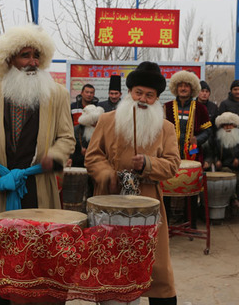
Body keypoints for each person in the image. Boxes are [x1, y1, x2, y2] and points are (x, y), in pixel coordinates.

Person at [85, 61, 180, 305]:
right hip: (109, 199)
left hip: (148, 204)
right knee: (111, 264)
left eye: (149, 95)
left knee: (156, 268)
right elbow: (93, 156)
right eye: (138, 92)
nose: (142, 99)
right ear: (129, 92)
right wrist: (107, 174)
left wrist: (148, 164)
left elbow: (172, 165)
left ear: (156, 98)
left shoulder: (166, 128)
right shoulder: (107, 120)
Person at [0, 24, 76, 221]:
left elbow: (67, 138)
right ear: (9, 60)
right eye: (25, 55)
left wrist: (55, 155)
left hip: (39, 181)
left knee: (37, 243)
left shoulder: (57, 94)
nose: (33, 62)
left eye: (37, 56)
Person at [164, 70, 212, 228]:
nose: (183, 88)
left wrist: (197, 140)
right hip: (170, 154)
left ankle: (191, 223)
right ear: (175, 88)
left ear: (192, 89)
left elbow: (208, 131)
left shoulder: (200, 108)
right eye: (180, 86)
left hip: (193, 154)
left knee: (192, 190)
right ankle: (166, 223)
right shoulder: (167, 107)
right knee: (166, 188)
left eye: (186, 86)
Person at [213, 112, 239, 210]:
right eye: (225, 125)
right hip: (224, 168)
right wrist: (217, 161)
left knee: (237, 181)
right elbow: (214, 154)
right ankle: (234, 200)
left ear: (235, 125)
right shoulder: (218, 139)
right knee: (227, 174)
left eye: (231, 125)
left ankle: (234, 201)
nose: (228, 127)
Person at [197, 80, 218, 171]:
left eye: (207, 92)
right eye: (202, 91)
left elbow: (216, 126)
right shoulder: (192, 105)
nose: (204, 94)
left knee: (207, 168)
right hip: (195, 141)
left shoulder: (213, 107)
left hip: (209, 142)